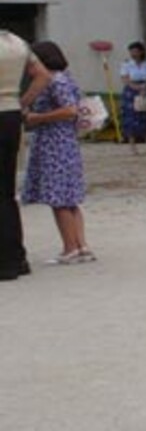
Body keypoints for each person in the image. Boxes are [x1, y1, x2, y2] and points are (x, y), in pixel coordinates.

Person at [23, 42, 92, 265]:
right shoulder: (65, 77)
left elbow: (69, 110)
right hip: (65, 142)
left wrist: (37, 118)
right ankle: (81, 245)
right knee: (69, 198)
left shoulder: (54, 80)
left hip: (55, 142)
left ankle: (70, 247)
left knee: (59, 198)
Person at [2, 31, 52, 282]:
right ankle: (15, 257)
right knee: (7, 192)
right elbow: (42, 76)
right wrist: (22, 102)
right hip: (10, 114)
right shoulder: (16, 42)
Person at [118, 42, 146, 154]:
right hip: (131, 92)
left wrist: (145, 85)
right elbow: (125, 79)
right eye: (131, 52)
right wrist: (136, 87)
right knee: (132, 118)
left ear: (141, 52)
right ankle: (133, 146)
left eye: (135, 51)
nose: (133, 54)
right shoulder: (126, 65)